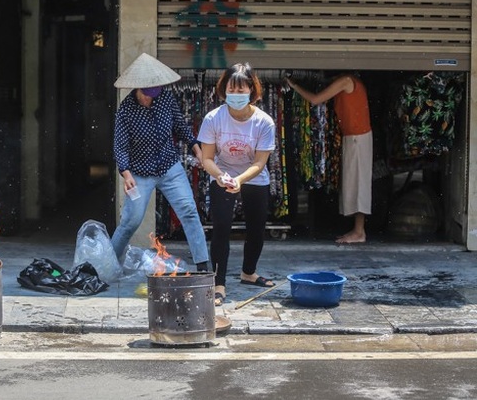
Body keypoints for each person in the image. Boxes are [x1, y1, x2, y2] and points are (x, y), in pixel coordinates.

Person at [111, 53, 210, 272]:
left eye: (154, 93)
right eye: (147, 94)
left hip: (168, 165)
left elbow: (180, 126)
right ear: (137, 89)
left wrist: (197, 148)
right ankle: (104, 267)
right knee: (130, 222)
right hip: (139, 172)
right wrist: (126, 175)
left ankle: (203, 266)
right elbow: (120, 146)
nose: (151, 98)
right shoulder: (125, 111)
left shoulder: (165, 98)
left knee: (188, 211)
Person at [198, 62, 276, 306]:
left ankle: (248, 273)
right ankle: (218, 284)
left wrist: (240, 180)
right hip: (221, 173)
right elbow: (207, 158)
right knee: (221, 228)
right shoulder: (213, 118)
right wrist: (221, 176)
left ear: (252, 91)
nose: (237, 95)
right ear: (223, 90)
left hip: (253, 177)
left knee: (256, 228)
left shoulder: (264, 122)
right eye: (232, 90)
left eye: (242, 91)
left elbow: (260, 162)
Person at [286, 72, 372, 244]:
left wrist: (295, 86)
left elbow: (316, 100)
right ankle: (357, 230)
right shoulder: (350, 80)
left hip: (358, 137)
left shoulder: (346, 80)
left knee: (358, 183)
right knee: (353, 183)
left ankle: (359, 231)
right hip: (354, 136)